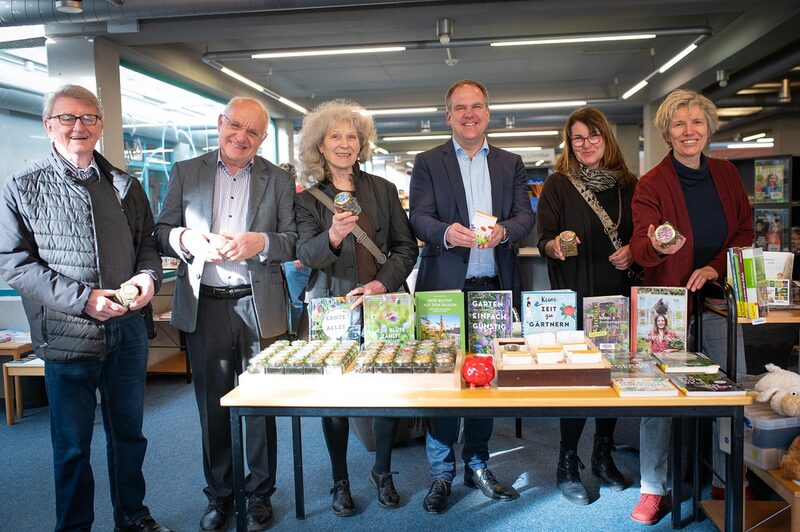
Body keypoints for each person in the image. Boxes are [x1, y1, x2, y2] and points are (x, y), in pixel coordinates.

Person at [0, 84, 170, 532]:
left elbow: (148, 244)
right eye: (67, 118)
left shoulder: (125, 184)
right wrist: (84, 300)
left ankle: (133, 517)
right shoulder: (23, 186)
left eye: (88, 118)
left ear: (101, 124)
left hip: (128, 330)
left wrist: (147, 277)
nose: (79, 126)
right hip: (67, 334)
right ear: (48, 126)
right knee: (72, 446)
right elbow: (13, 264)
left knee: (129, 436)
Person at [154, 97, 297, 532]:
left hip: (258, 305)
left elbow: (293, 238)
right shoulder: (185, 171)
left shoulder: (278, 179)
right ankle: (220, 495)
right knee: (212, 406)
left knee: (258, 403)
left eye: (253, 132)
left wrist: (263, 243)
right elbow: (160, 232)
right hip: (205, 306)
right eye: (235, 126)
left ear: (263, 138)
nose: (242, 137)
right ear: (220, 124)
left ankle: (259, 494)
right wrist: (185, 239)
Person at [629, 89, 754, 525]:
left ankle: (723, 478)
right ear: (666, 132)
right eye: (679, 124)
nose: (689, 131)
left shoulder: (727, 174)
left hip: (718, 301)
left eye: (696, 122)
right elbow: (640, 249)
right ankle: (652, 488)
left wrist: (713, 268)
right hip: (666, 305)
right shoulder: (652, 183)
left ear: (708, 127)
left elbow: (744, 232)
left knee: (728, 395)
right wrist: (659, 244)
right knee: (658, 400)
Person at [409, 79, 534, 514]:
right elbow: (418, 216)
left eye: (476, 106)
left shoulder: (510, 162)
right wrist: (445, 232)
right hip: (444, 291)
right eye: (460, 108)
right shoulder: (427, 162)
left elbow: (525, 217)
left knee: (485, 383)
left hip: (493, 289)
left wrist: (504, 232)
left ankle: (477, 463)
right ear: (448, 116)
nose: (469, 114)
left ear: (488, 113)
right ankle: (441, 474)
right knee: (444, 383)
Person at [294, 99, 418, 516]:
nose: (345, 144)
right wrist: (330, 236)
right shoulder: (308, 198)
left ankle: (382, 471)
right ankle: (339, 480)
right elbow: (305, 255)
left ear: (362, 144)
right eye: (335, 136)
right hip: (333, 309)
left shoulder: (381, 190)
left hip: (382, 306)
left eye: (353, 136)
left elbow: (405, 247)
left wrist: (383, 283)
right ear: (320, 145)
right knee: (335, 399)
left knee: (385, 391)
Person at [536, 107, 636, 505]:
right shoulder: (558, 184)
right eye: (577, 137)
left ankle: (603, 453)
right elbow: (542, 236)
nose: (586, 143)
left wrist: (634, 251)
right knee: (575, 378)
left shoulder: (629, 185)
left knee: (609, 377)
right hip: (574, 295)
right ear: (569, 143)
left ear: (605, 138)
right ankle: (567, 460)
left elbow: (642, 235)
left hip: (615, 293)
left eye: (593, 135)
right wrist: (554, 246)